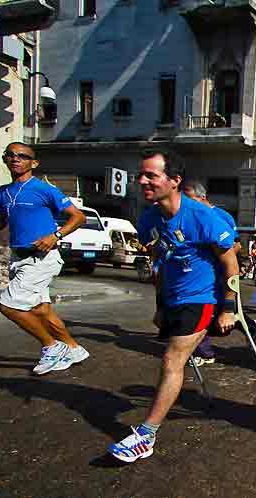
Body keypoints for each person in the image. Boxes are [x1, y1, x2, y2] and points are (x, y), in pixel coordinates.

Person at [109, 149, 237, 463]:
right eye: (141, 175)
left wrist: (229, 308)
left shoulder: (203, 217)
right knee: (173, 361)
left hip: (202, 298)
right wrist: (160, 304)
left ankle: (146, 434)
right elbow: (160, 263)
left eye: (151, 175)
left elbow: (231, 263)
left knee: (171, 360)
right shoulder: (149, 218)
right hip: (172, 299)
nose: (142, 181)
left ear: (174, 181)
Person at [0, 142, 90, 375]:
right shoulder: (3, 192)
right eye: (10, 155)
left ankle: (52, 346)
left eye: (22, 155)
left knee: (7, 304)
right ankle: (73, 348)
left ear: (34, 162)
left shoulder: (44, 189)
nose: (15, 158)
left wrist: (55, 235)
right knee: (41, 310)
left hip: (42, 258)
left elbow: (78, 217)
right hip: (18, 258)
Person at [182, 179, 240, 366]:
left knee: (223, 317)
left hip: (221, 273)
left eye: (191, 199)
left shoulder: (222, 217)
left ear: (203, 197)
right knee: (200, 312)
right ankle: (204, 351)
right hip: (198, 278)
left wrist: (219, 255)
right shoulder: (187, 217)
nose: (187, 204)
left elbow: (237, 245)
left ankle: (244, 323)